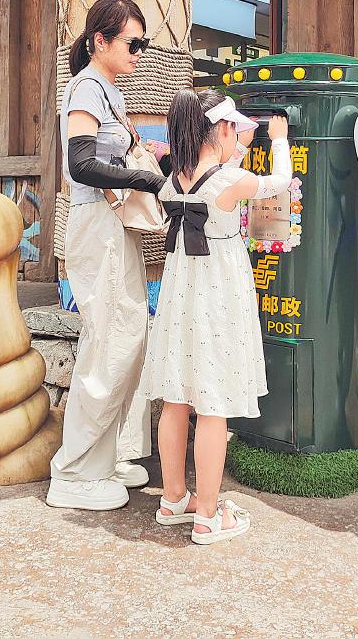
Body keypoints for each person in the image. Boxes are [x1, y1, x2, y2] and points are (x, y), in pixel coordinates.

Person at [138, 90, 291, 545]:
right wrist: (278, 139)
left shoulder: (173, 181)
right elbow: (280, 181)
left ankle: (173, 499)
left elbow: (215, 175)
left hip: (180, 293)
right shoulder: (232, 181)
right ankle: (207, 516)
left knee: (176, 399)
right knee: (212, 403)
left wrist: (237, 144)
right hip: (218, 292)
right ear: (220, 129)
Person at [46, 0, 167, 512]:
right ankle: (75, 471)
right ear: (100, 40)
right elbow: (80, 164)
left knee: (128, 336)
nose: (139, 53)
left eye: (143, 44)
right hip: (97, 223)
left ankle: (109, 455)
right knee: (110, 342)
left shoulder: (108, 91)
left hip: (114, 225)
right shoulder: (86, 88)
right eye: (132, 43)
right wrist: (143, 178)